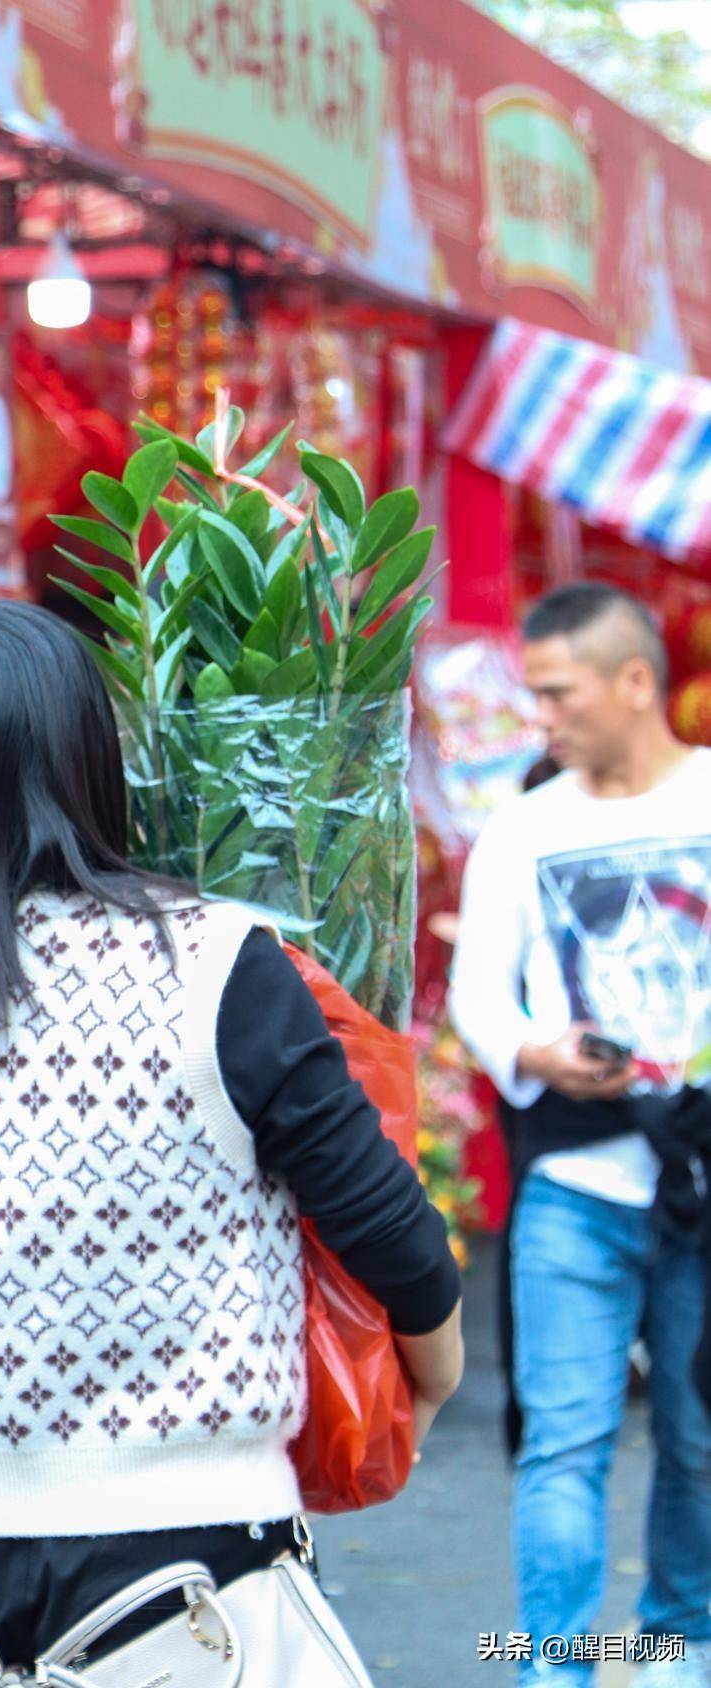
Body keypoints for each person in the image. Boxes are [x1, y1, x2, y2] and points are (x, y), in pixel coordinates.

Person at [0, 598, 464, 1688]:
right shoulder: (220, 966)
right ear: (88, 756)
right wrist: (427, 1381)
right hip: (192, 1548)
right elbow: (379, 1216)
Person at [450, 583, 711, 1688]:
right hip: (573, 1182)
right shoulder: (525, 824)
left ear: (634, 681)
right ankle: (554, 1670)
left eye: (557, 693)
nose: (542, 719)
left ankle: (673, 1651)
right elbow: (477, 996)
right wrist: (538, 1053)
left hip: (701, 1179)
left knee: (701, 1446)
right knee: (564, 1445)